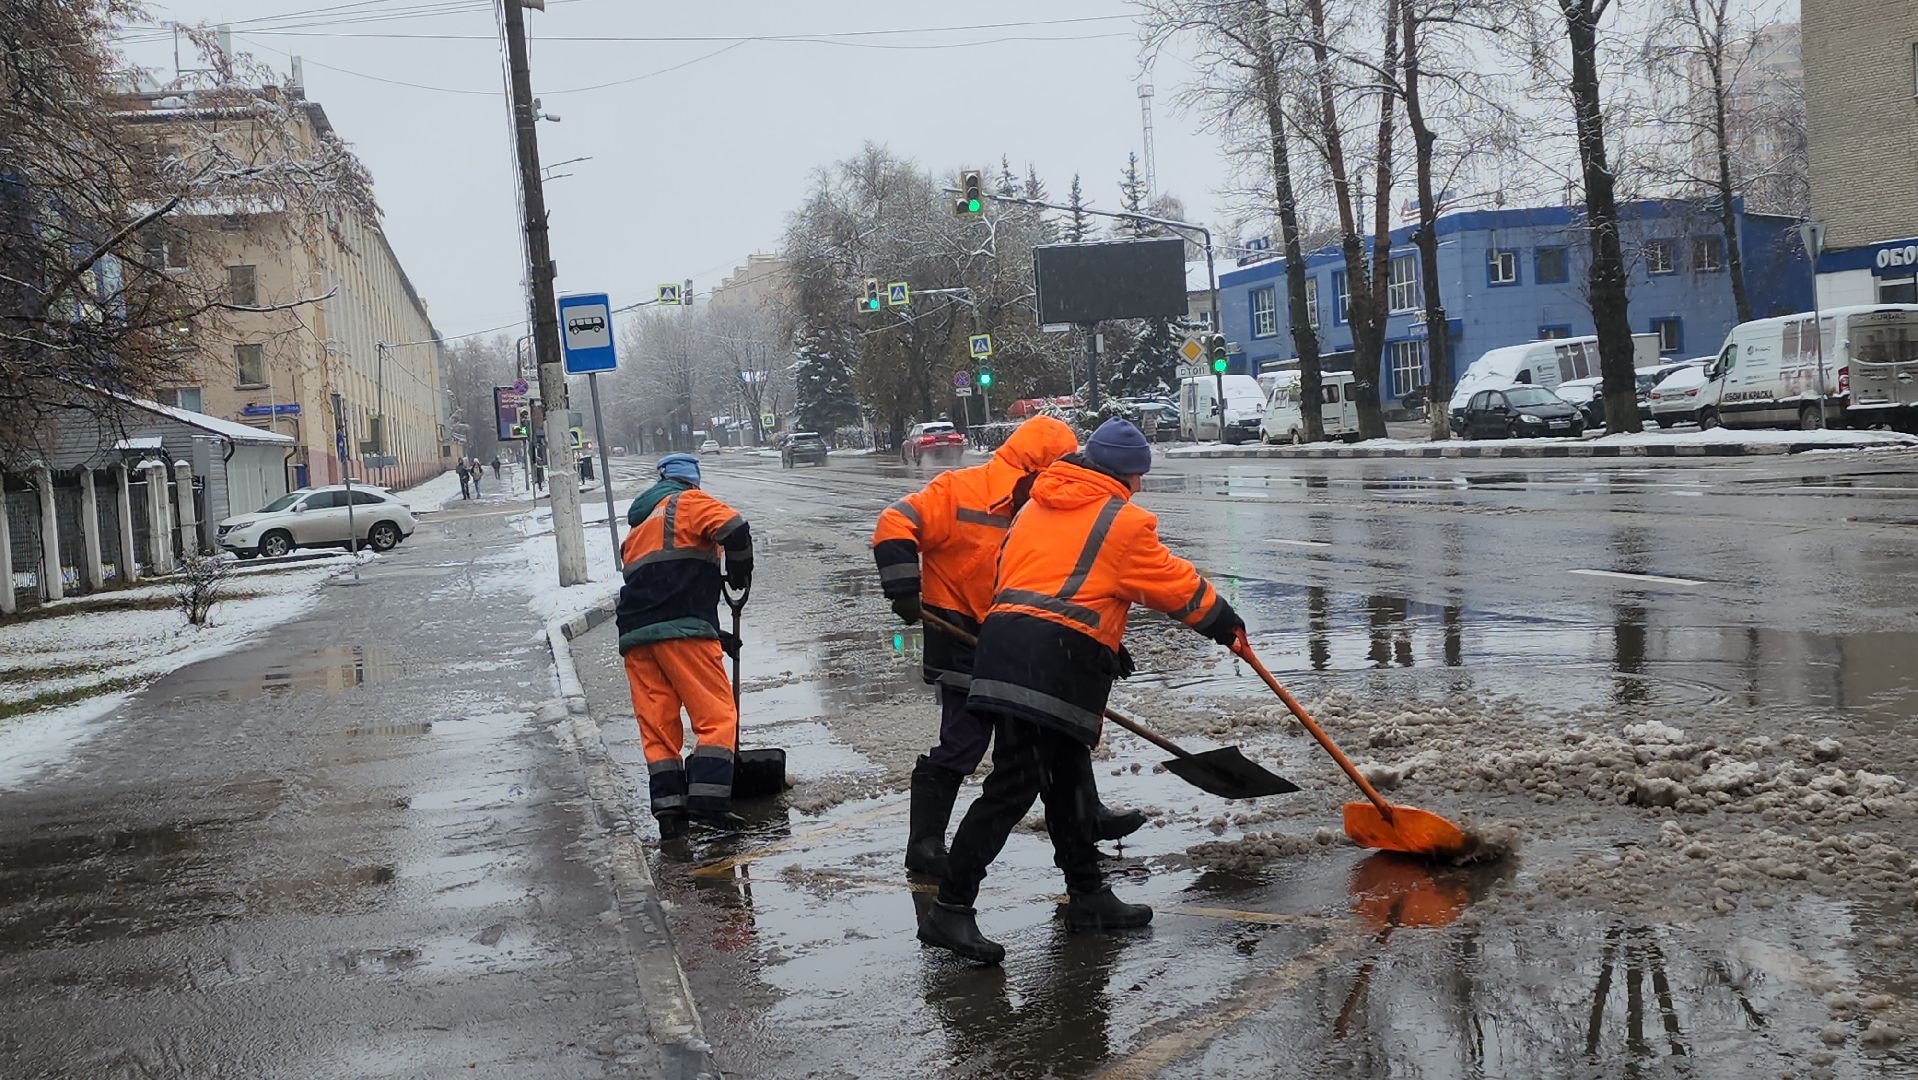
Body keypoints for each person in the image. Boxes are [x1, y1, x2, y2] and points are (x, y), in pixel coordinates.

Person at [919, 419, 1246, 964]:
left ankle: (1089, 895)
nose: (1139, 486)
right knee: (1015, 785)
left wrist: (1103, 636)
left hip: (1006, 647)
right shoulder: (1123, 521)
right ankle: (950, 909)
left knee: (1066, 778)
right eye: (1138, 476)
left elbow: (1033, 577)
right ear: (1123, 474)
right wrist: (1224, 621)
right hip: (1051, 663)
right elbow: (1173, 585)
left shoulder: (1035, 507)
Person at [872, 416, 1147, 880]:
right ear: (1031, 468)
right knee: (964, 741)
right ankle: (924, 846)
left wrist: (1100, 642)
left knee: (1054, 737)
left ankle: (1086, 818)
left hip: (1018, 641)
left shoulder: (1042, 507)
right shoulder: (957, 491)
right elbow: (895, 521)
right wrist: (903, 586)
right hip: (960, 636)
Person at [617, 453, 754, 838]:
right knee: (716, 717)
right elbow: (735, 528)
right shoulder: (687, 501)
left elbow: (659, 584)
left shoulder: (639, 527)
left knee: (658, 728)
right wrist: (740, 569)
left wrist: (715, 633)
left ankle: (670, 814)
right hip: (682, 632)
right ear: (691, 480)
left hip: (636, 638)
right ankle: (709, 803)